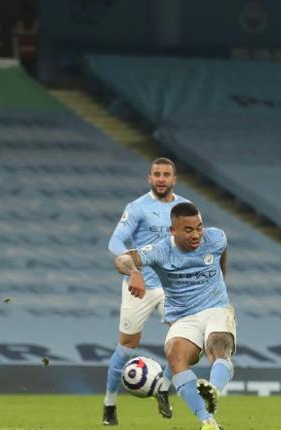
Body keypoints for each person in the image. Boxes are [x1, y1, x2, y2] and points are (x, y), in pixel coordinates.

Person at [113, 202, 235, 430]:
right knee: (174, 354)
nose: (197, 234)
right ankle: (208, 423)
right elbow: (121, 260)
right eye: (188, 230)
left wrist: (222, 280)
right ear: (173, 231)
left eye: (199, 227)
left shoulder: (216, 238)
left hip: (215, 307)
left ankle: (213, 391)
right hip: (183, 316)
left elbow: (222, 252)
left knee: (218, 344)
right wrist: (134, 272)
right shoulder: (161, 250)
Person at [102, 157, 188, 425]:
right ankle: (109, 404)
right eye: (156, 174)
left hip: (171, 287)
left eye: (166, 174)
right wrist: (134, 270)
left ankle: (162, 387)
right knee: (127, 347)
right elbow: (115, 241)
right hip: (139, 286)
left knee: (187, 338)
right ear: (149, 178)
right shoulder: (138, 208)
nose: (161, 178)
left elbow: (195, 243)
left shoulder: (185, 209)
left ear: (174, 179)